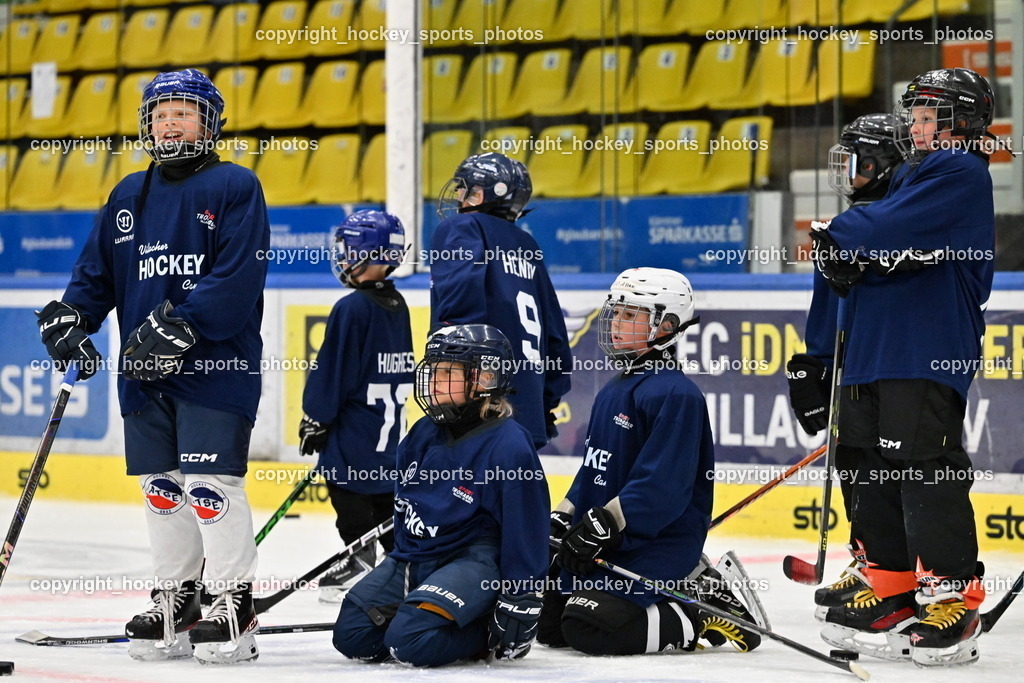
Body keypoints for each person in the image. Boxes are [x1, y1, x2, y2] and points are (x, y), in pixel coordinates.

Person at [36, 68, 269, 664]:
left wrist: (183, 325)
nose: (170, 122)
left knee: (211, 489)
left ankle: (232, 601)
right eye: (161, 113)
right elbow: (97, 277)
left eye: (183, 112)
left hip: (216, 367)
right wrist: (71, 319)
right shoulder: (126, 196)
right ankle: (178, 597)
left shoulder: (235, 186)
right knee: (164, 491)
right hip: (143, 373)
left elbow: (238, 279)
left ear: (209, 122)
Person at [811, 68, 994, 666]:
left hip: (925, 347)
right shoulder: (909, 174)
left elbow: (878, 227)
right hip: (872, 351)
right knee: (864, 462)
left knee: (924, 466)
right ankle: (889, 583)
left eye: (927, 117)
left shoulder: (960, 170)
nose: (914, 127)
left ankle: (953, 592)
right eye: (912, 116)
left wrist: (840, 237)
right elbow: (869, 246)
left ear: (961, 123)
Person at [539, 268, 767, 656]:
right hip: (612, 541)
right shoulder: (615, 387)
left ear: (667, 325)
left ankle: (698, 604)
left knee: (590, 626)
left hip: (655, 546)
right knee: (546, 623)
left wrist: (603, 525)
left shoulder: (676, 394)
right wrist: (567, 513)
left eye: (631, 315)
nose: (615, 323)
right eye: (617, 311)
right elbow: (597, 466)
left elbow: (661, 488)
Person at [332, 324, 549, 666]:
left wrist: (522, 594)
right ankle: (429, 610)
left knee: (409, 642)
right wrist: (398, 563)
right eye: (433, 370)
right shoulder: (421, 433)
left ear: (485, 379)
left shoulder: (509, 445)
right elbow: (405, 507)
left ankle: (482, 627)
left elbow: (528, 530)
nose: (434, 380)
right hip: (414, 558)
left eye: (448, 372)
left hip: (471, 559)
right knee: (352, 636)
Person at [785, 114, 903, 612]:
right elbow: (825, 307)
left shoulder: (903, 224)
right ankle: (868, 559)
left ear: (880, 165)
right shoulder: (840, 229)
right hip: (849, 372)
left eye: (855, 163)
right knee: (856, 464)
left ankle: (899, 570)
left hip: (890, 373)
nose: (846, 173)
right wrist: (813, 365)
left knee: (892, 470)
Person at [298, 210, 413, 603]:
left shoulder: (351, 308)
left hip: (356, 434)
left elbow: (334, 371)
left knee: (347, 491)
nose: (343, 257)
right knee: (384, 498)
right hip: (388, 442)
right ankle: (402, 562)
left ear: (371, 252)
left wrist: (316, 417)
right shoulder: (397, 304)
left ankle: (358, 557)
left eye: (349, 250)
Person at [430, 152, 572, 449]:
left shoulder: (461, 228)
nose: (458, 195)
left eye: (464, 188)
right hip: (527, 417)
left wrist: (454, 384)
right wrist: (544, 406)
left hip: (477, 410)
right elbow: (557, 337)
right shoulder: (527, 244)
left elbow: (460, 315)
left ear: (482, 194)